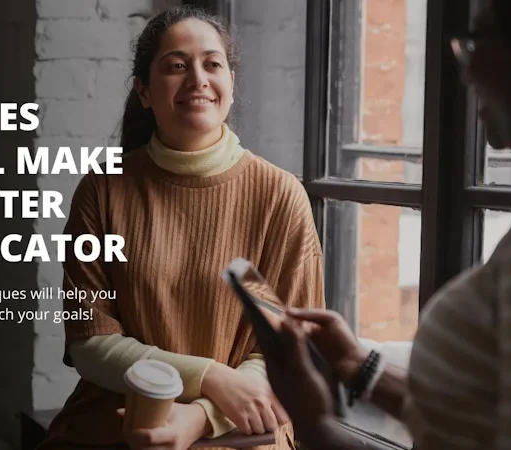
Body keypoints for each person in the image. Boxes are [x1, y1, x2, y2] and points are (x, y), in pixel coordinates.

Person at [255, 1, 511, 449]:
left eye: (479, 41)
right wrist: (358, 363)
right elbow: (475, 424)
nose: (465, 70)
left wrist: (313, 423)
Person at [35, 6, 325, 450]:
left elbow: (291, 350)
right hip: (117, 423)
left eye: (212, 64)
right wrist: (210, 377)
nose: (197, 79)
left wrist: (202, 416)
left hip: (243, 431)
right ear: (144, 91)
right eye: (176, 66)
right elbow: (90, 341)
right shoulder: (101, 190)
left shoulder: (280, 196)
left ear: (231, 82)